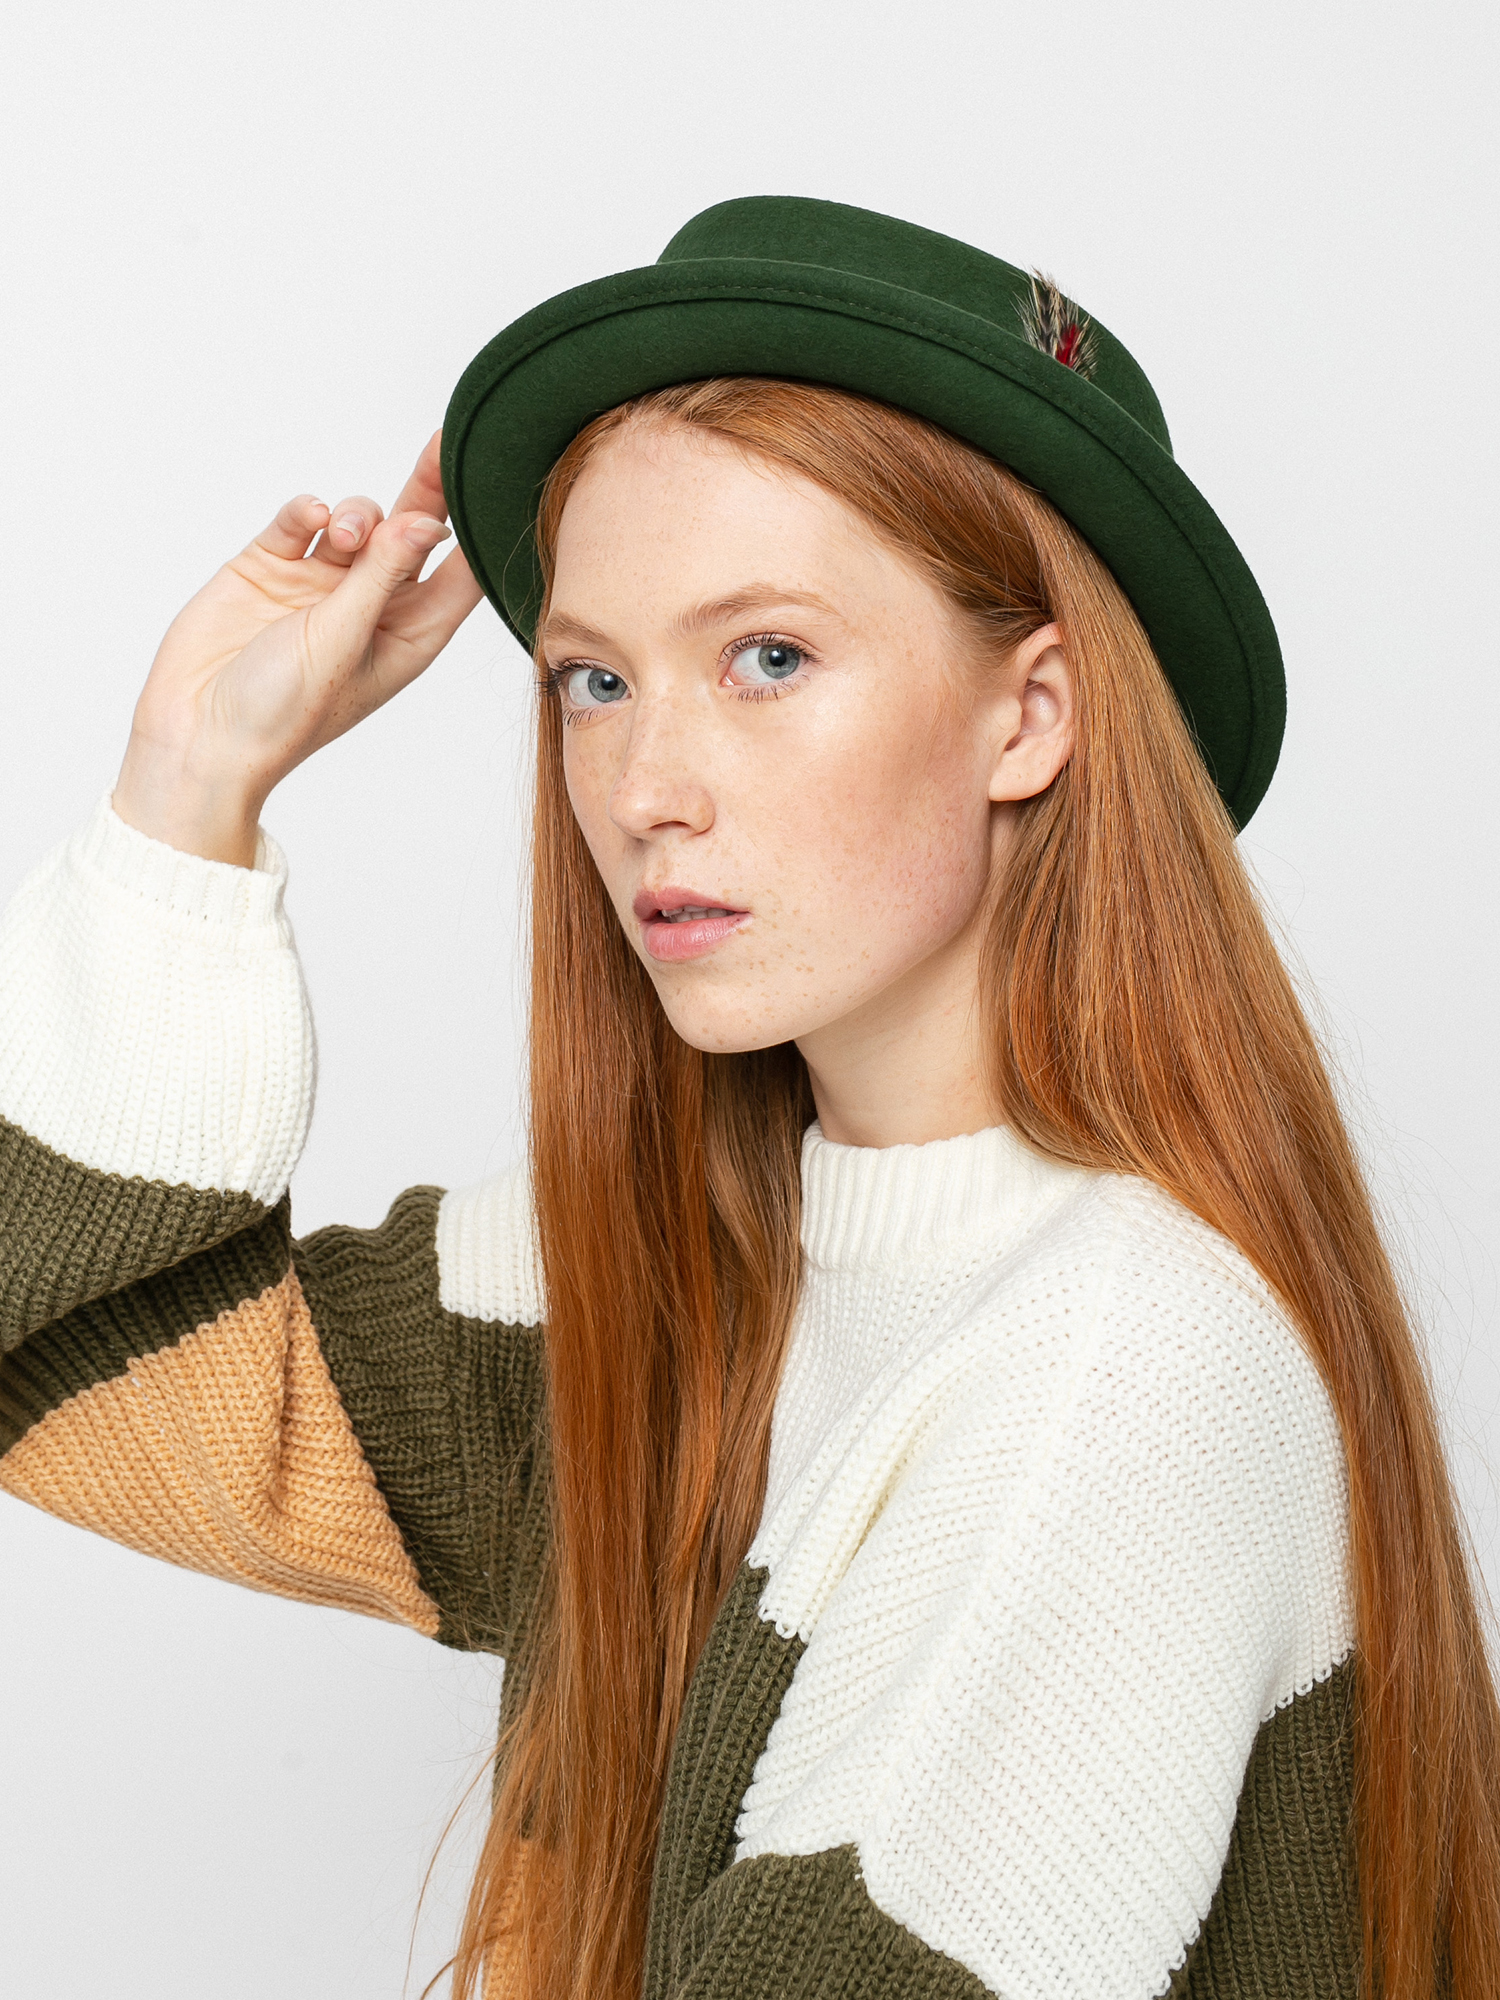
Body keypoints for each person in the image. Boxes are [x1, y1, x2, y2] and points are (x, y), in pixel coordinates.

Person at [1, 196, 1495, 2000]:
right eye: (594, 681)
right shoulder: (670, 1264)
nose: (646, 786)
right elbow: (55, 1357)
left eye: (768, 658)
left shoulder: (1127, 1364)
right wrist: (191, 784)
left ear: (1032, 716)